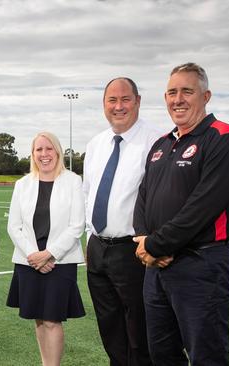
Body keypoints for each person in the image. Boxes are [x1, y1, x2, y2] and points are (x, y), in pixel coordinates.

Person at [134, 63, 229, 366]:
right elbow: (143, 197)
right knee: (162, 353)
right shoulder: (162, 144)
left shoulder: (223, 137)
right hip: (156, 269)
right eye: (172, 92)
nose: (178, 99)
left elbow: (203, 207)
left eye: (187, 91)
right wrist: (145, 240)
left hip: (201, 265)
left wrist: (156, 246)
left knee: (207, 355)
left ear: (205, 95)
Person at [83, 77, 162, 366]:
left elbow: (159, 199)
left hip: (134, 250)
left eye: (125, 99)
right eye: (111, 100)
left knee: (140, 331)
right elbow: (88, 193)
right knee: (110, 328)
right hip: (98, 248)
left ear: (138, 101)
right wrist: (88, 237)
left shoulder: (157, 141)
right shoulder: (95, 144)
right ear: (104, 105)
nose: (118, 106)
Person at [6, 131, 87, 366]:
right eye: (39, 149)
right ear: (33, 154)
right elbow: (14, 226)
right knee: (39, 320)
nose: (44, 154)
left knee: (52, 320)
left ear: (58, 151)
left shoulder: (73, 181)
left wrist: (50, 254)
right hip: (29, 260)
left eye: (49, 148)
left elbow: (76, 226)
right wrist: (34, 256)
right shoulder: (23, 184)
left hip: (59, 261)